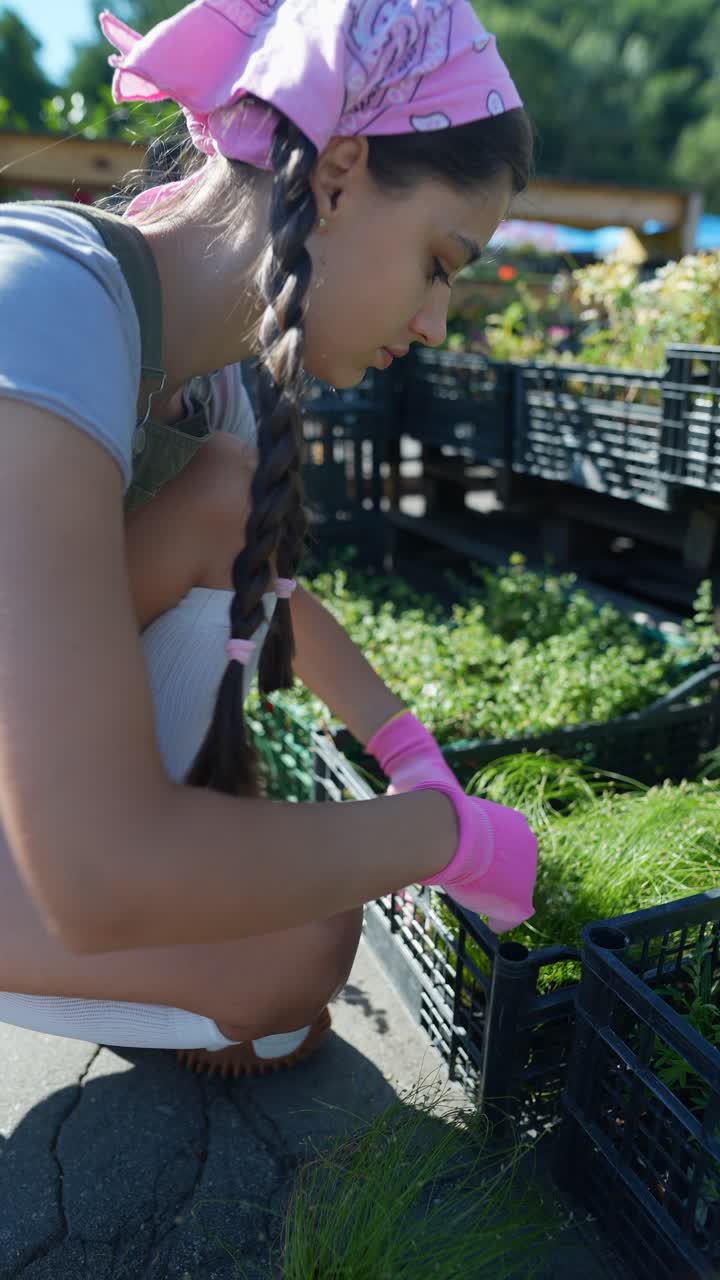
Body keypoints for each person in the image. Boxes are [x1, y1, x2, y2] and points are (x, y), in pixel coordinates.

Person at [0, 0, 538, 1080]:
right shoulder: (42, 305)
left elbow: (254, 561)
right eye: (441, 259)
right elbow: (105, 868)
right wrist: (448, 836)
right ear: (335, 174)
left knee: (301, 932)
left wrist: (405, 748)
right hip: (65, 837)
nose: (436, 321)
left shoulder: (211, 390)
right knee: (292, 954)